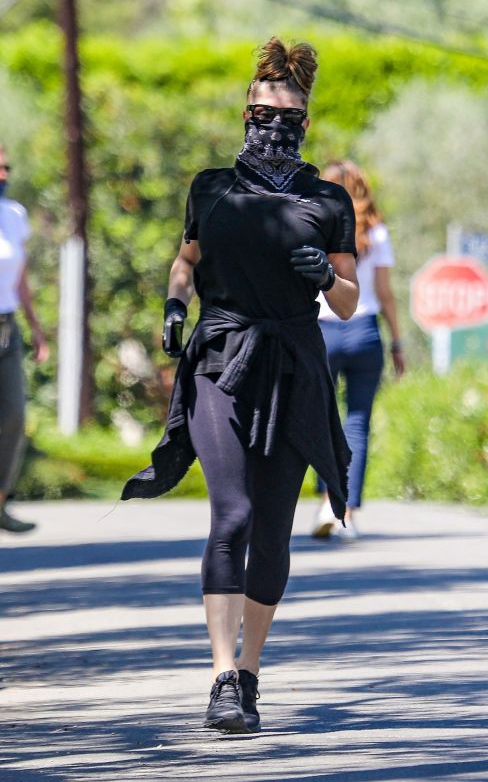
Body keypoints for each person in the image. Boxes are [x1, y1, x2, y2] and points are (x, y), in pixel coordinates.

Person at [122, 38, 359, 733]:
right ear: (246, 114)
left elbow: (346, 302)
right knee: (230, 516)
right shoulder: (211, 188)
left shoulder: (328, 200)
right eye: (261, 115)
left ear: (304, 124)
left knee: (273, 530)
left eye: (285, 119)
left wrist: (325, 276)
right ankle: (222, 675)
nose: (272, 128)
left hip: (292, 363)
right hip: (220, 357)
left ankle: (251, 673)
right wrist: (174, 304)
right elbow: (186, 257)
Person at [312, 160, 405, 540]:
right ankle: (346, 509)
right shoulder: (377, 233)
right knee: (357, 424)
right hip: (365, 331)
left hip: (323, 329)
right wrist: (398, 342)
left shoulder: (315, 228)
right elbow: (384, 295)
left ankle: (325, 503)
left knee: (321, 420)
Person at [0, 143, 49, 533]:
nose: (3, 175)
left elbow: (20, 279)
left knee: (13, 416)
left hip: (7, 326)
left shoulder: (14, 215)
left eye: (6, 166)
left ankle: (0, 502)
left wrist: (35, 328)